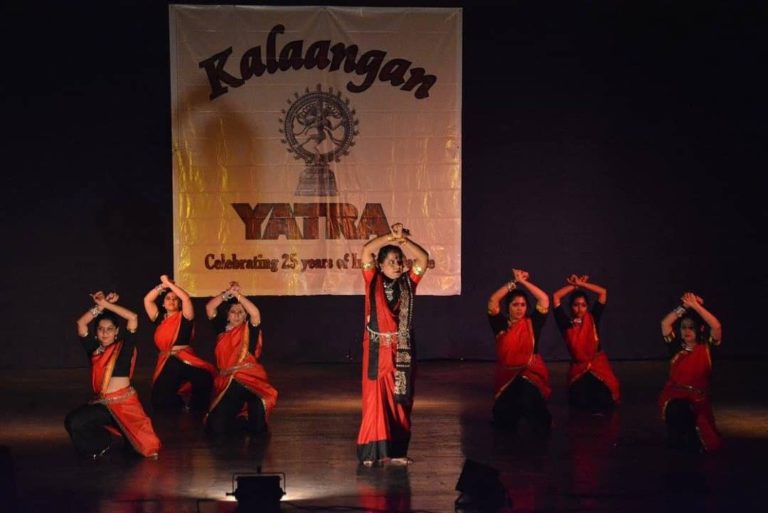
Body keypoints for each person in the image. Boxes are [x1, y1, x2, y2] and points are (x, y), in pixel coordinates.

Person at [356, 222, 430, 466]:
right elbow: (366, 250)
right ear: (380, 264)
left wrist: (403, 241)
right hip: (376, 350)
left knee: (401, 400)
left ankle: (397, 452)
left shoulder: (410, 282)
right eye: (391, 261)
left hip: (402, 349)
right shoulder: (372, 278)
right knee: (374, 399)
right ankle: (371, 453)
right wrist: (390, 236)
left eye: (400, 261)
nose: (397, 265)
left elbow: (423, 258)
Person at [65, 291, 161, 459]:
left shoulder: (124, 349)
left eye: (109, 329)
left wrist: (107, 304)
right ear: (96, 333)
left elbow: (133, 317)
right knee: (73, 421)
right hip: (104, 405)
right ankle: (100, 445)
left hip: (125, 407)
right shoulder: (94, 351)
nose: (105, 333)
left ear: (117, 331)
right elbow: (81, 323)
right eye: (101, 329)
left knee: (137, 450)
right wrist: (99, 307)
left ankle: (128, 440)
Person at [204, 281, 278, 437]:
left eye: (241, 312)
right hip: (228, 381)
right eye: (233, 312)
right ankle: (241, 418)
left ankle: (251, 416)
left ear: (245, 316)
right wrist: (227, 294)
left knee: (258, 429)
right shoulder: (222, 329)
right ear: (227, 315)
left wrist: (238, 295)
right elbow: (210, 307)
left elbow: (255, 313)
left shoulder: (249, 329)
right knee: (215, 428)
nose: (237, 315)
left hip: (249, 379)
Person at [487, 269, 552, 435]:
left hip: (530, 371)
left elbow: (544, 299)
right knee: (505, 418)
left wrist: (523, 282)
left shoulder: (532, 323)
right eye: (515, 304)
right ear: (508, 307)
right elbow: (493, 301)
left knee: (526, 391)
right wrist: (513, 283)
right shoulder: (501, 324)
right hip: (507, 375)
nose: (519, 309)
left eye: (523, 305)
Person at [658, 292, 723, 452]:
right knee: (678, 408)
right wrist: (684, 306)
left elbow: (716, 327)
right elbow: (665, 324)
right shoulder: (676, 348)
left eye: (691, 327)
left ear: (700, 329)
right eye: (683, 327)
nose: (686, 331)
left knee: (702, 438)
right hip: (674, 396)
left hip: (698, 400)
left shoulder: (707, 348)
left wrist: (696, 306)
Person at [143, 275, 216, 412]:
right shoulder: (159, 318)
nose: (171, 301)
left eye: (175, 299)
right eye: (168, 298)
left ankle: (196, 407)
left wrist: (169, 284)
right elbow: (147, 299)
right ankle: (180, 403)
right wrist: (162, 286)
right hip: (167, 361)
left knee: (204, 377)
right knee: (158, 400)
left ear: (179, 303)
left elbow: (186, 298)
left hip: (184, 359)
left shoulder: (185, 316)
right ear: (163, 304)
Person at [552, 274, 620, 412]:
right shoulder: (566, 324)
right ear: (571, 307)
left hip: (598, 366)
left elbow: (603, 293)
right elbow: (556, 297)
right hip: (578, 368)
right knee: (580, 402)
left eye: (583, 305)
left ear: (587, 307)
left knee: (604, 399)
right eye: (576, 305)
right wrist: (574, 286)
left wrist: (582, 285)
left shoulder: (592, 319)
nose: (580, 309)